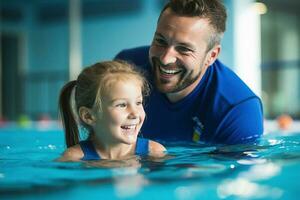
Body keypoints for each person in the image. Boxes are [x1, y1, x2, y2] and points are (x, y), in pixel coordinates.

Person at [115, 0, 264, 144]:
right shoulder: (127, 68)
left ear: (211, 56)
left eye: (184, 49)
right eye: (161, 41)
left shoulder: (237, 110)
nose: (166, 59)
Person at [57, 60, 166, 162]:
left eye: (138, 103)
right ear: (88, 116)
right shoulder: (74, 158)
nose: (135, 114)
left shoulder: (154, 152)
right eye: (122, 105)